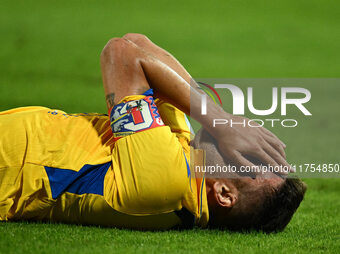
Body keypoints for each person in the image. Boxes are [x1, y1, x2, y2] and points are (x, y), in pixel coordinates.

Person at [0, 33, 306, 232]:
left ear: (224, 194)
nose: (245, 140)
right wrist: (218, 120)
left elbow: (120, 53)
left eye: (250, 157)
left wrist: (220, 120)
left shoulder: (168, 180)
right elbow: (137, 43)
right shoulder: (184, 154)